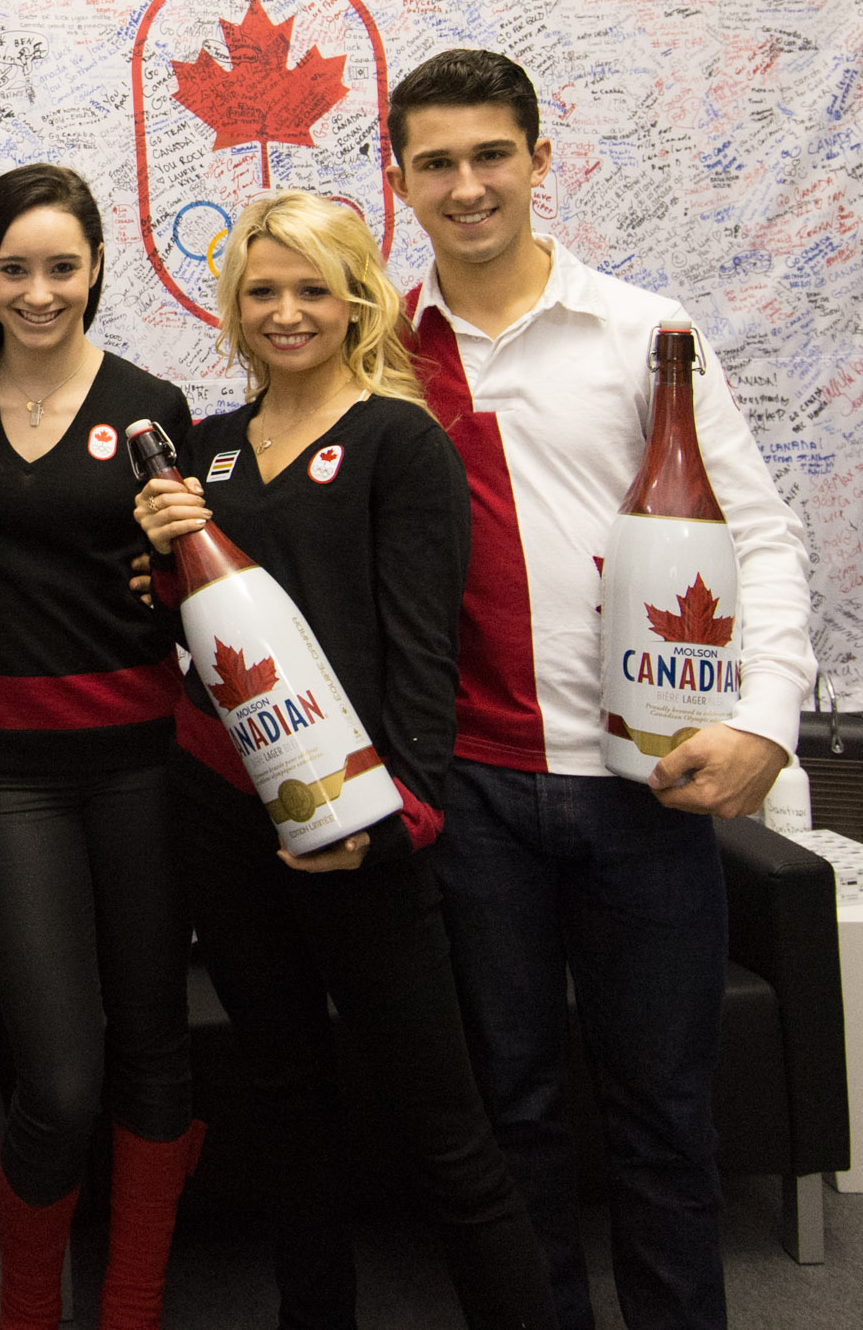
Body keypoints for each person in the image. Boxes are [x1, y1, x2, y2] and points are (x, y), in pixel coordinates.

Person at [385, 49, 817, 1330]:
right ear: (399, 180)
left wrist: (765, 722)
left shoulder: (644, 331)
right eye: (437, 162)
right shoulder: (384, 351)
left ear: (540, 159)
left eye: (491, 155)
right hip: (475, 790)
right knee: (513, 1113)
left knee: (665, 1119)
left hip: (644, 787)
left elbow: (764, 535)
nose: (468, 186)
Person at [133, 190, 555, 1330]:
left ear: (358, 296)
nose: (286, 311)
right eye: (263, 289)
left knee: (447, 1130)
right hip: (225, 814)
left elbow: (425, 653)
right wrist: (157, 580)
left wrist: (393, 817)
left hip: (360, 827)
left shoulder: (398, 439)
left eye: (312, 287)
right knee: (283, 1104)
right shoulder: (208, 448)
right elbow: (202, 632)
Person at [0, 165, 202, 1330]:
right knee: (61, 1077)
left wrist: (171, 566)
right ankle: (29, 1309)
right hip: (11, 771)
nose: (40, 291)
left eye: (63, 266)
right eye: (15, 267)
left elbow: (192, 585)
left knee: (153, 1046)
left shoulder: (149, 404)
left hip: (142, 754)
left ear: (96, 270)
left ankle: (128, 1303)